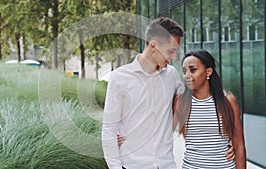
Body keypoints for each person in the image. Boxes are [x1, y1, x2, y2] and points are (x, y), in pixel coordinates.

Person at [101, 17, 184, 169]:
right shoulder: (119, 78)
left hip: (166, 164)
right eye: (171, 51)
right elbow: (109, 130)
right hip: (133, 165)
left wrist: (226, 139)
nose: (174, 57)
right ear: (154, 44)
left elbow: (194, 102)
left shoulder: (172, 75)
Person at [173, 50, 246, 168]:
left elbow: (239, 146)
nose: (187, 76)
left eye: (193, 70)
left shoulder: (228, 100)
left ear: (208, 71)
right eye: (184, 71)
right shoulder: (180, 102)